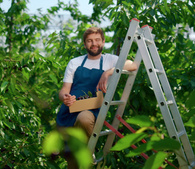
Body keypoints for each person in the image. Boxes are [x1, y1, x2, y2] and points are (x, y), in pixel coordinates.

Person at [56, 27, 137, 169]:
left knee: (84, 119)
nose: (94, 43)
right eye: (89, 41)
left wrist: (108, 72)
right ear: (84, 44)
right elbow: (64, 90)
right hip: (70, 110)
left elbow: (133, 65)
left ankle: (88, 150)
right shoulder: (75, 62)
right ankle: (85, 151)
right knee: (73, 159)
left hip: (93, 109)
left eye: (97, 40)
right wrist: (65, 98)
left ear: (103, 42)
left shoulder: (110, 60)